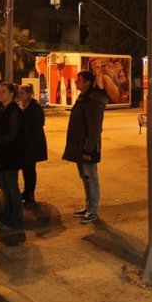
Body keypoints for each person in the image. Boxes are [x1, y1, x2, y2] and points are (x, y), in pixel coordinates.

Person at [62, 70, 107, 224]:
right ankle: (88, 207)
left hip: (88, 147)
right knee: (85, 178)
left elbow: (95, 128)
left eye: (79, 80)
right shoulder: (84, 98)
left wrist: (88, 149)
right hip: (79, 146)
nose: (76, 83)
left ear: (88, 82)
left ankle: (93, 210)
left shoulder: (93, 101)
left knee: (91, 177)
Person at [0, 82, 25, 230]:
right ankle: (7, 217)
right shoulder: (2, 110)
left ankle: (16, 220)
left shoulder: (14, 111)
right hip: (2, 154)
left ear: (12, 93)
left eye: (3, 91)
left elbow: (13, 134)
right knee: (5, 188)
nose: (0, 94)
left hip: (11, 155)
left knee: (12, 188)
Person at [18, 83, 48, 205]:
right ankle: (26, 192)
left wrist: (30, 140)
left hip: (33, 143)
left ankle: (30, 194)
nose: (20, 95)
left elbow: (39, 125)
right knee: (26, 168)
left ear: (29, 94)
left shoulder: (35, 107)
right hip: (25, 143)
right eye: (19, 93)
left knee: (30, 169)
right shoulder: (22, 105)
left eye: (22, 93)